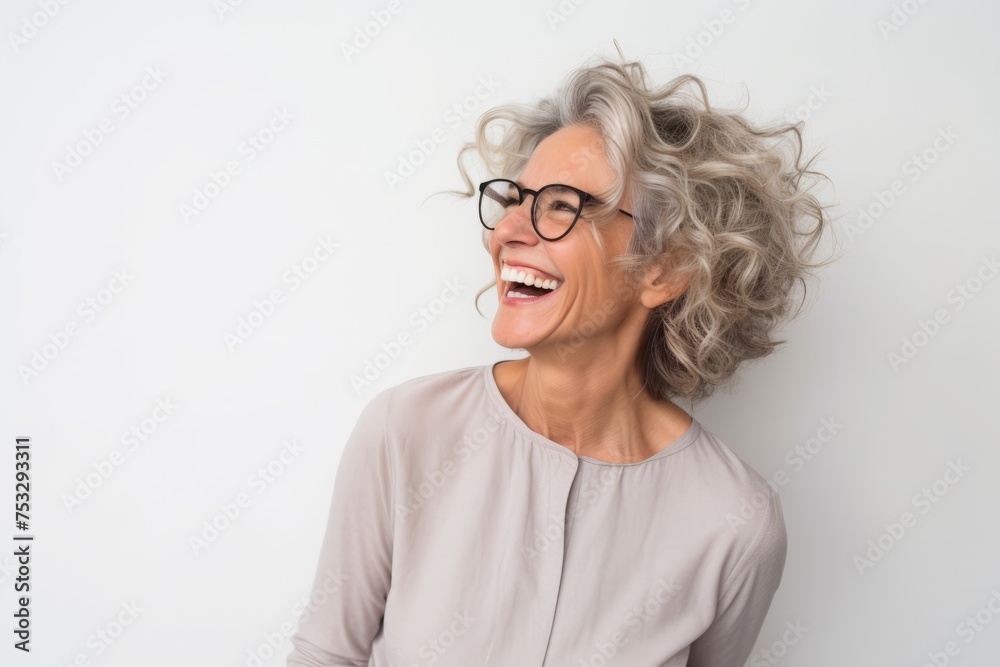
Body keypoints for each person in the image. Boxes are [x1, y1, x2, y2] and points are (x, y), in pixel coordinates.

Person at [287, 48, 837, 667]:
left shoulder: (736, 523)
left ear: (666, 269)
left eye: (562, 205)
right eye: (516, 200)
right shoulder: (406, 429)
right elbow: (326, 653)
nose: (508, 232)